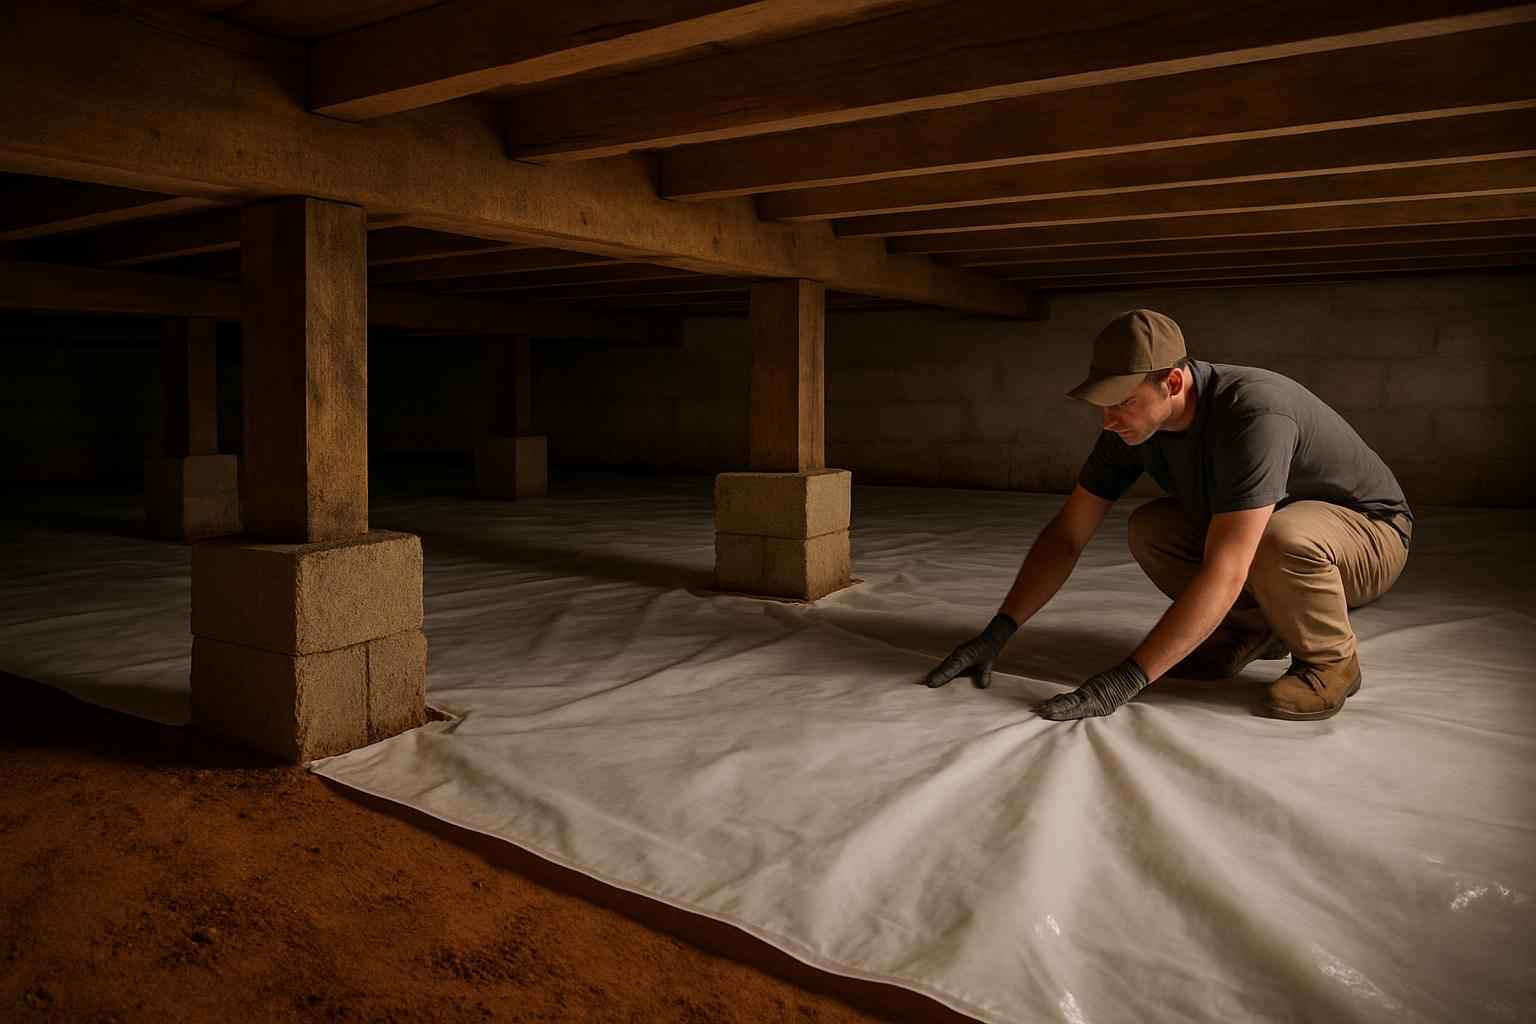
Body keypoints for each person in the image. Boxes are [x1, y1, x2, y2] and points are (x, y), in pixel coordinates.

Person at [924, 309, 1413, 722]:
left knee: (1275, 539)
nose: (1109, 420)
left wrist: (1124, 681)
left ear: (1173, 382)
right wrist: (998, 632)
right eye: (1103, 405)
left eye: (1123, 402)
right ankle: (1249, 630)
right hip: (1271, 533)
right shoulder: (1130, 429)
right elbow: (1068, 534)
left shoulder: (1253, 414)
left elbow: (1230, 565)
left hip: (1370, 533)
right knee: (1152, 528)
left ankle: (1331, 660)